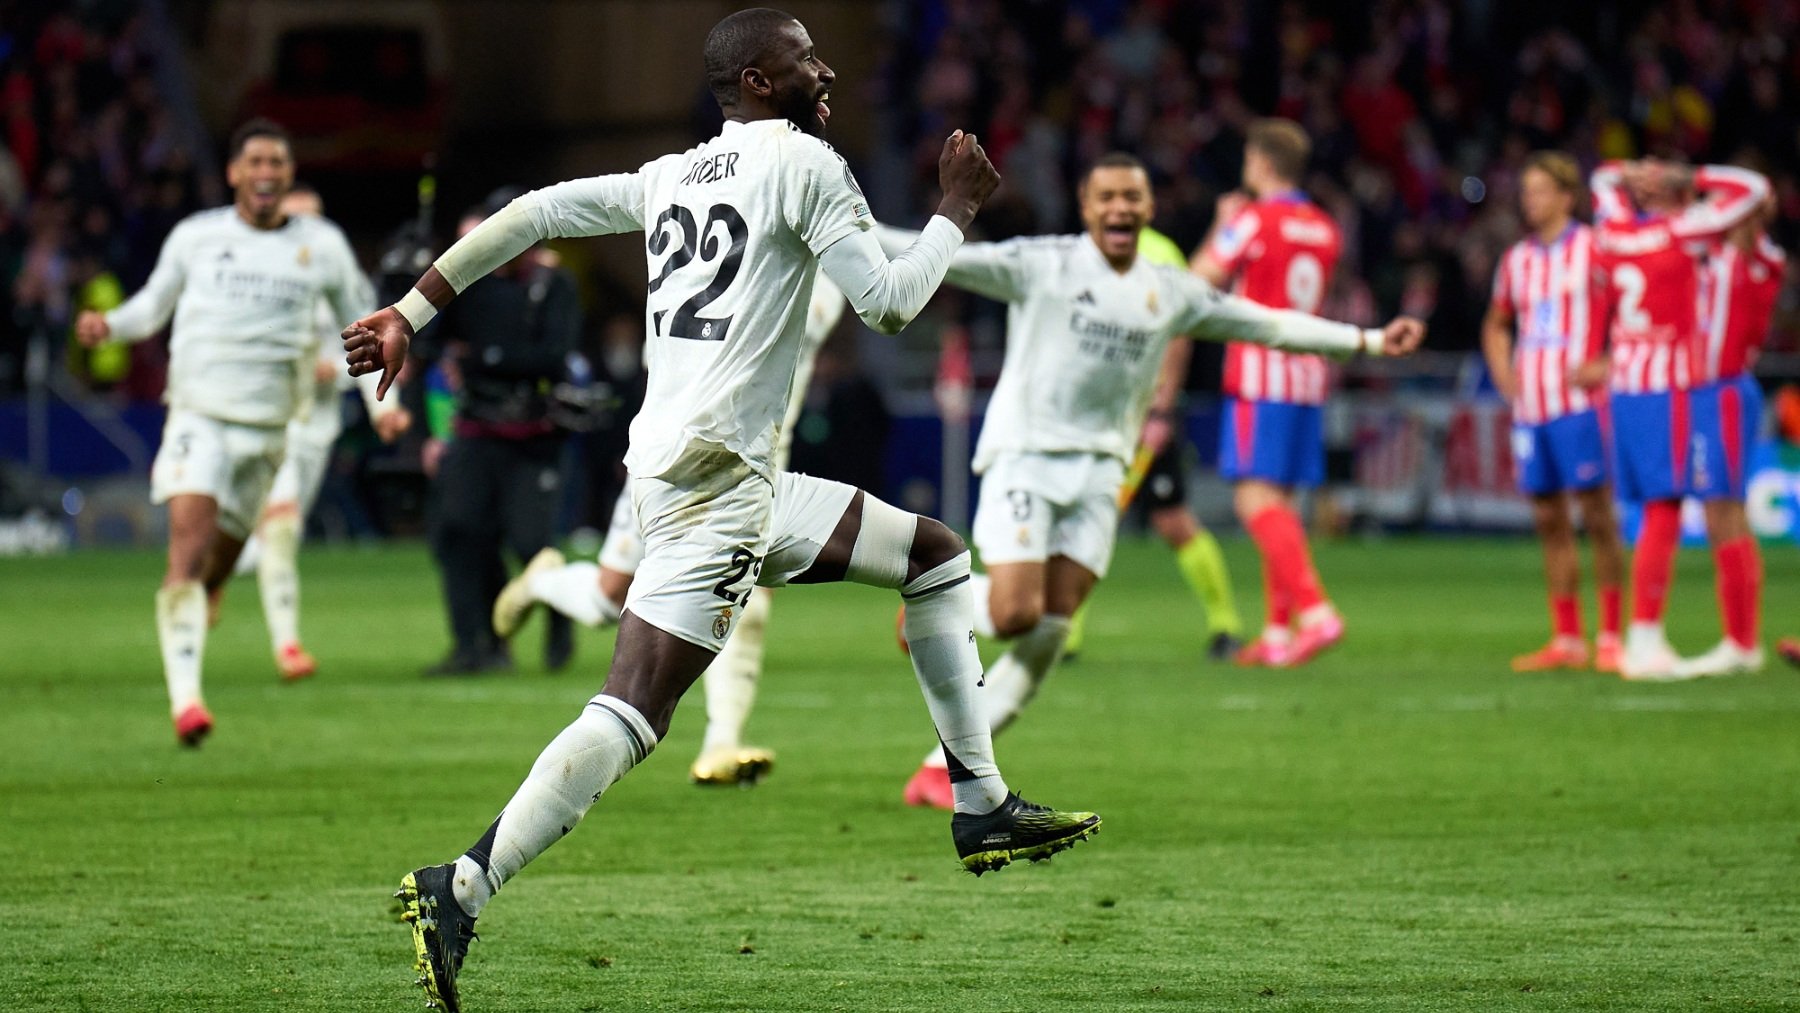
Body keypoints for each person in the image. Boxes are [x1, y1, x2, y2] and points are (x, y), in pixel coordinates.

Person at [345, 11, 1101, 1011]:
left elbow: (531, 213)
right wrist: (955, 210)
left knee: (933, 554)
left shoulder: (670, 177)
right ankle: (461, 883)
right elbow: (886, 304)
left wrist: (410, 309)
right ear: (757, 79)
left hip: (700, 473)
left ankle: (980, 802)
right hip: (721, 490)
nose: (823, 69)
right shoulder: (807, 167)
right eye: (804, 58)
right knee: (631, 710)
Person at [884, 152, 1426, 810]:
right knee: (1014, 611)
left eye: (1131, 198)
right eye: (1106, 197)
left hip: (1101, 473)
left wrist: (1367, 341)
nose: (1120, 208)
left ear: (1147, 208)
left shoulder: (1170, 290)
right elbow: (940, 259)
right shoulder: (1043, 263)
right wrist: (838, 231)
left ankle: (941, 771)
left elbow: (1270, 324)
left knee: (1051, 629)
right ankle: (937, 602)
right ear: (1086, 207)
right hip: (1026, 457)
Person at [74, 119, 372, 746]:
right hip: (198, 416)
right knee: (187, 543)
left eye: (277, 163)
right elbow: (152, 306)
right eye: (255, 161)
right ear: (235, 172)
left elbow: (362, 321)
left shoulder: (321, 245)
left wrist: (381, 404)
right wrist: (111, 326)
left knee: (219, 564)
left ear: (288, 175)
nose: (266, 172)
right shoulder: (198, 236)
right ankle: (188, 704)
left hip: (268, 432)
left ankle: (206, 595)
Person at [491, 272, 847, 786]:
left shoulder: (832, 269)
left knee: (744, 595)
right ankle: (543, 582)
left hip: (754, 469)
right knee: (607, 600)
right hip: (671, 459)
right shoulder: (730, 239)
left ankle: (721, 743)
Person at [1588, 158, 1769, 680]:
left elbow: (1603, 176)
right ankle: (1645, 640)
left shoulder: (1614, 227)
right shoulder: (1685, 231)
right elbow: (1753, 188)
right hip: (1667, 386)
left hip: (1624, 382)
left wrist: (1633, 172)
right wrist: (1686, 175)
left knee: (1657, 509)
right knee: (1666, 508)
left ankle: (1650, 637)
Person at [1191, 119, 1348, 668]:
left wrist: (1221, 226)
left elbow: (1200, 278)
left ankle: (1316, 610)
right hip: (1307, 376)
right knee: (1280, 505)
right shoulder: (1326, 227)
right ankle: (1279, 634)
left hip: (1260, 375)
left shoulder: (1254, 219)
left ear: (1260, 163)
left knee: (1253, 501)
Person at [239, 184, 412, 681]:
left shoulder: (340, 282)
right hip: (265, 421)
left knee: (270, 534)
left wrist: (383, 409)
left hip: (316, 428)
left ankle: (208, 573)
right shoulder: (253, 284)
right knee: (283, 524)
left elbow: (370, 346)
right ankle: (287, 645)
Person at [1061, 226, 1246, 663]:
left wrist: (1161, 406)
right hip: (1096, 411)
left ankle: (1225, 625)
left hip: (1144, 412)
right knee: (1081, 516)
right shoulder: (1082, 252)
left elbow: (1178, 331)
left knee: (1171, 520)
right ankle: (1063, 636)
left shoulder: (1161, 252)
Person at [420, 195, 583, 676]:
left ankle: (560, 611)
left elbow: (554, 357)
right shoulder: (469, 282)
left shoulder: (553, 284)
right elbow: (430, 341)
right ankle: (477, 644)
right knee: (460, 531)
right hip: (476, 428)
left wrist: (479, 358)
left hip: (535, 434)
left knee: (531, 542)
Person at [1480, 151, 1626, 674]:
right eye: (1526, 190)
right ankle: (1567, 638)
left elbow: (1636, 311)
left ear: (1567, 196)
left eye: (1540, 190)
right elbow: (1495, 322)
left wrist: (1609, 362)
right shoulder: (1517, 259)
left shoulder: (1596, 250)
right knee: (1548, 518)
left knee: (1597, 516)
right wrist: (1503, 374)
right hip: (1532, 408)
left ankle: (1611, 635)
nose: (1530, 200)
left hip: (1580, 405)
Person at [1676, 192, 1783, 676]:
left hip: (1727, 390)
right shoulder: (1710, 257)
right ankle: (1740, 640)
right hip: (1704, 393)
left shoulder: (1761, 259)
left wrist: (1698, 179)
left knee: (1726, 509)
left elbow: (1752, 190)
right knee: (1720, 512)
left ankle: (1741, 641)